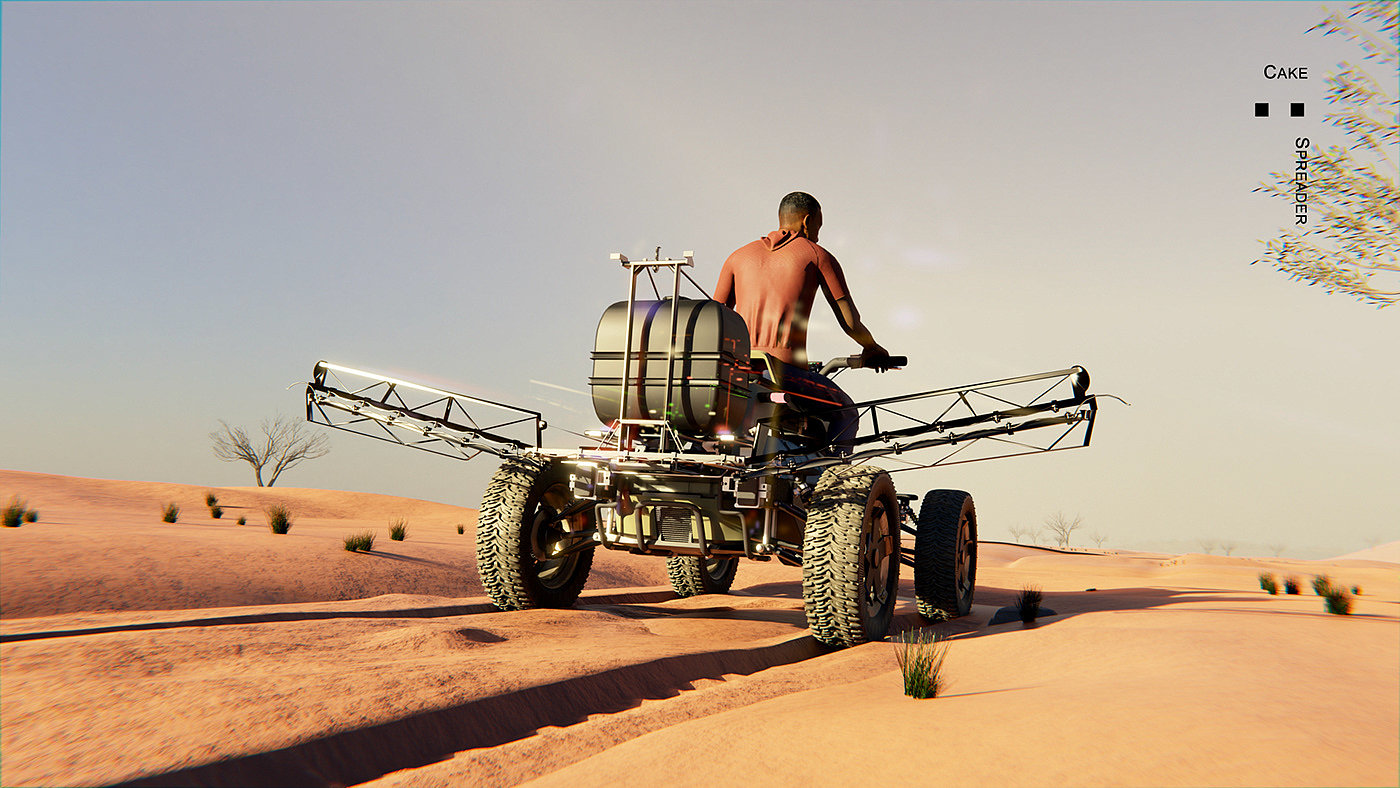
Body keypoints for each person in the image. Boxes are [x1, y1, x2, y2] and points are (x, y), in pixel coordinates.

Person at [713, 191, 891, 450]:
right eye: (818, 227)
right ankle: (833, 485)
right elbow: (849, 321)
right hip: (785, 373)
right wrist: (872, 348)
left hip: (739, 372)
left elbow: (716, 317)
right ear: (807, 221)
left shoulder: (737, 256)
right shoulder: (817, 255)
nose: (818, 235)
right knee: (846, 412)